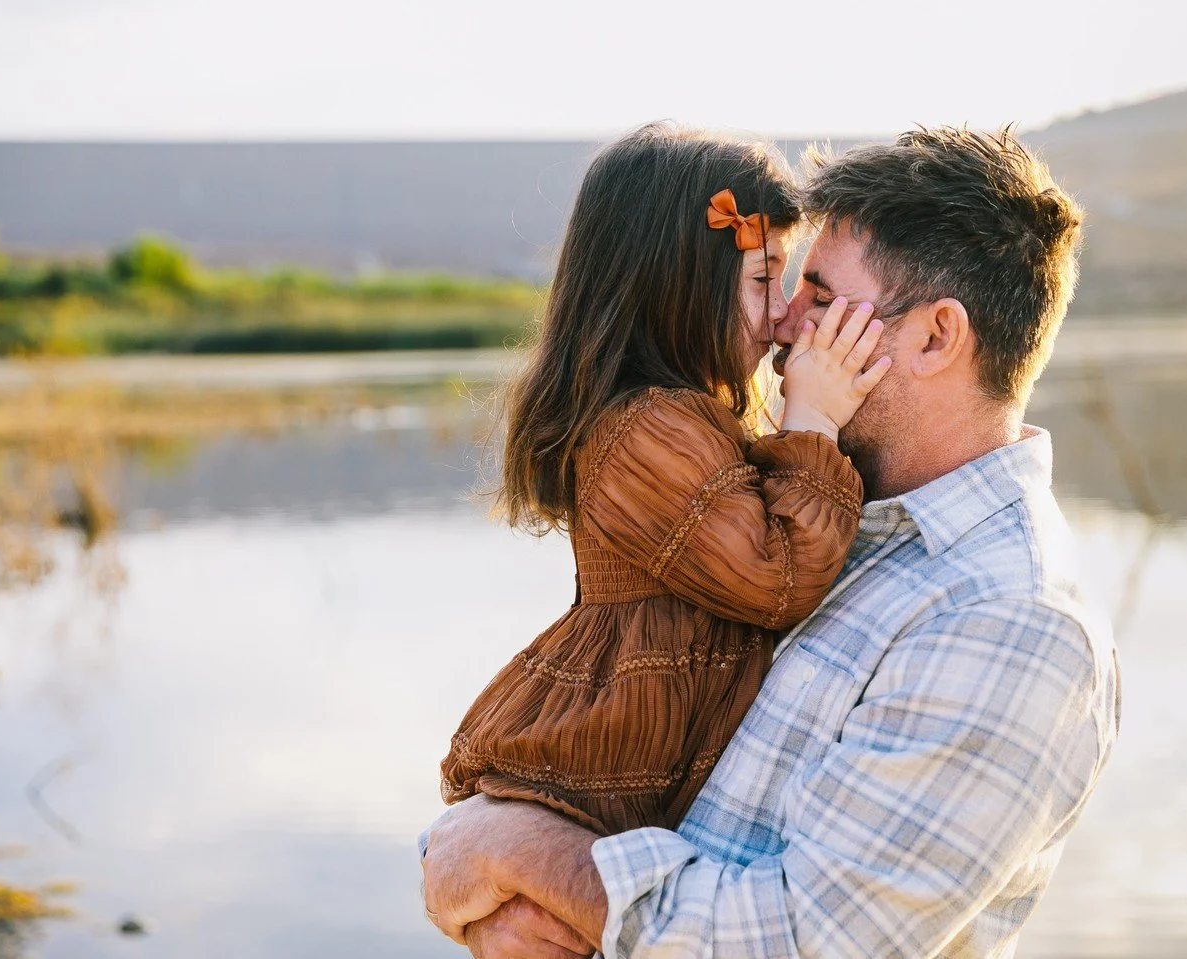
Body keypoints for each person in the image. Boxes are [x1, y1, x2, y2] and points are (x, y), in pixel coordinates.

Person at [423, 126, 1121, 959]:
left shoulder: (1007, 618)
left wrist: (521, 852)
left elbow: (796, 941)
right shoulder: (845, 524)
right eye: (783, 286)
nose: (786, 323)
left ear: (935, 338)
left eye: (820, 299)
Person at [437, 122, 891, 846]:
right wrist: (812, 420)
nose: (782, 317)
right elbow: (775, 578)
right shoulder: (646, 430)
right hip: (607, 776)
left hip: (644, 785)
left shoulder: (679, 419)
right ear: (673, 283)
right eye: (760, 279)